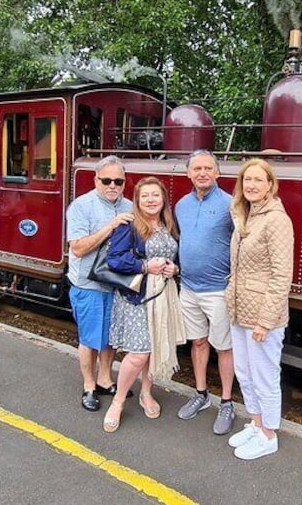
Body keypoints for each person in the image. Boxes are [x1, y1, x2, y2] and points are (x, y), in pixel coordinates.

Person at [102, 176, 185, 433]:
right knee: (139, 354)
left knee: (154, 347)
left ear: (163, 200)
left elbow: (176, 255)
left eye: (155, 195)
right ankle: (117, 402)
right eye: (145, 195)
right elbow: (114, 259)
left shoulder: (169, 224)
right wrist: (145, 266)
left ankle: (146, 393)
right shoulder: (129, 224)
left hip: (163, 294)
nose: (151, 200)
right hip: (137, 297)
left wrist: (175, 268)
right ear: (137, 200)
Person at [225, 158, 294, 460]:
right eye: (246, 180)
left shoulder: (277, 219)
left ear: (270, 185)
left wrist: (265, 322)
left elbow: (282, 275)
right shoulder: (246, 214)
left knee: (264, 374)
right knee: (245, 372)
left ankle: (269, 435)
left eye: (258, 180)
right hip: (240, 310)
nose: (251, 185)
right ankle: (256, 423)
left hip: (263, 316)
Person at [174, 150, 237, 435]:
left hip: (218, 291)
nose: (202, 173)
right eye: (197, 168)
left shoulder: (230, 204)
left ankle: (226, 402)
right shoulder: (181, 205)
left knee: (224, 347)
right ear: (189, 173)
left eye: (208, 168)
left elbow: (241, 244)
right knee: (198, 343)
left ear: (217, 173)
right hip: (188, 288)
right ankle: (200, 394)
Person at [66, 156, 134, 412]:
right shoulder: (81, 207)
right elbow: (79, 248)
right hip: (88, 284)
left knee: (110, 338)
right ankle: (89, 386)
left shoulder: (128, 205)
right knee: (90, 338)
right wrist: (111, 226)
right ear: (96, 180)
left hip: (116, 285)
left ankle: (106, 379)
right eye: (107, 180)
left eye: (118, 181)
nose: (112, 185)